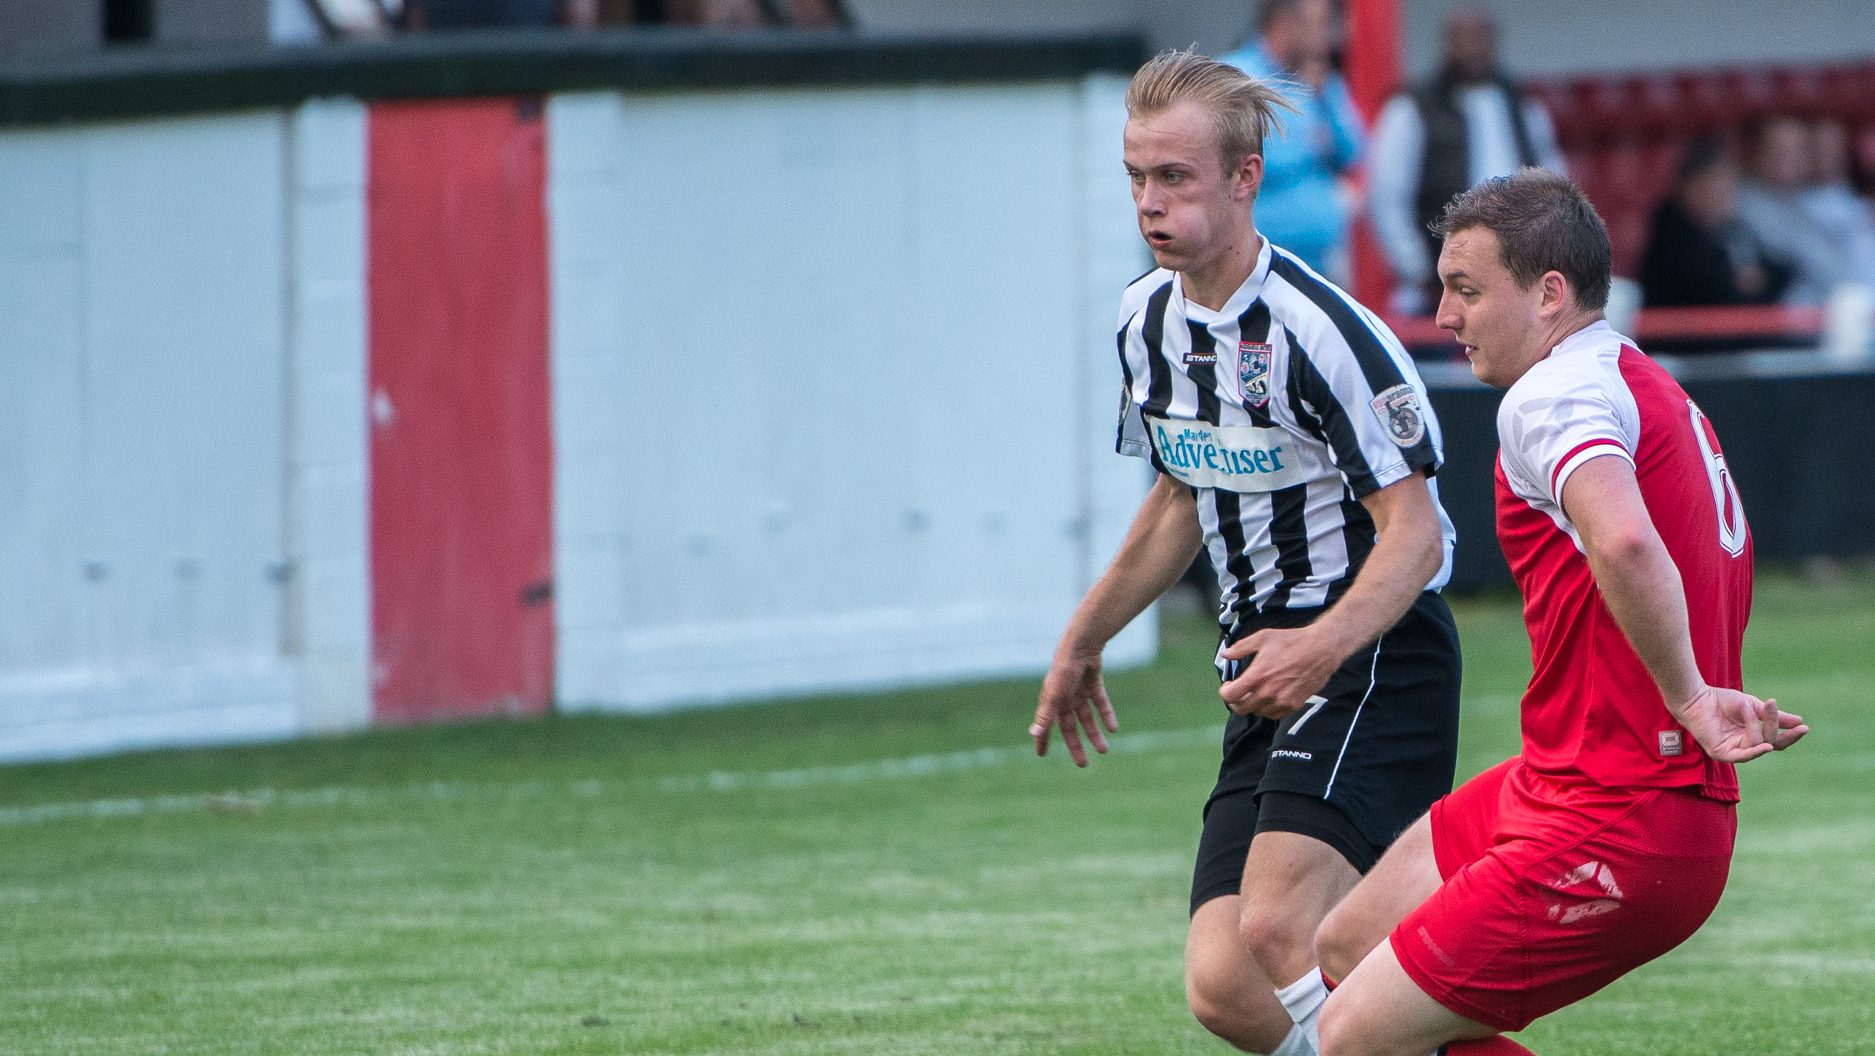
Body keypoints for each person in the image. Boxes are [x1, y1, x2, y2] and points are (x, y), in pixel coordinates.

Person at [1307, 169, 1809, 1056]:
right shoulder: (1635, 381)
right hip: (1568, 783)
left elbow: (1621, 542)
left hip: (1623, 813)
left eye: (1465, 290)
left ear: (1548, 293)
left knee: (1350, 1037)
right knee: (1344, 946)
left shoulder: (1550, 395)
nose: (1446, 315)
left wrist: (1690, 696)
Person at [1028, 49, 1461, 1056]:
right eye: (1137, 176)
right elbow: (1181, 494)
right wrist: (1082, 639)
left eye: (1174, 177)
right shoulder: (1146, 322)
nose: (1150, 201)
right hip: (1262, 669)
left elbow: (1418, 533)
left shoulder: (1323, 333)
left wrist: (1323, 646)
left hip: (1373, 655)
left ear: (1245, 177)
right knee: (1225, 983)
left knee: (1278, 926)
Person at [1367, 6, 1564, 316]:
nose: (1474, 48)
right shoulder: (1412, 108)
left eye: (1482, 38)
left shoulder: (1522, 107)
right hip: (1435, 284)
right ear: (1448, 43)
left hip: (1517, 278)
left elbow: (1554, 187)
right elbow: (1387, 198)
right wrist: (1420, 270)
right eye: (1465, 38)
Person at [1218, 0, 1367, 283]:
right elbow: (1236, 162)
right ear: (1285, 22)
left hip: (1321, 264)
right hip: (1254, 267)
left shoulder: (1322, 81)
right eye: (1320, 23)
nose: (1330, 37)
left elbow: (1354, 153)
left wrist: (1322, 99)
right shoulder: (1235, 77)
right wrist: (1308, 144)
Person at [1638, 136, 1793, 309]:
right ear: (1688, 188)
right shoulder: (1670, 235)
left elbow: (1783, 271)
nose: (1721, 197)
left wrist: (1759, 277)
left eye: (1727, 188)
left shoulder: (1736, 230)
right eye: (1712, 187)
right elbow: (1705, 288)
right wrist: (1735, 277)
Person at [1736, 115, 1849, 306]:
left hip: (1822, 318)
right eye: (1778, 151)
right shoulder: (1742, 205)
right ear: (1756, 153)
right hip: (1776, 324)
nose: (1789, 161)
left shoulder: (1803, 203)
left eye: (1797, 151)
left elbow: (1837, 273)